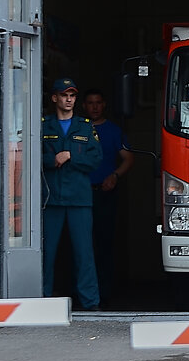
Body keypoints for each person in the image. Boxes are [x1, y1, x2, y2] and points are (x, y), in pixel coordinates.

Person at [41, 77, 103, 310]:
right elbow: (29, 157)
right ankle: (42, 298)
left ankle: (90, 303)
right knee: (47, 254)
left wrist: (71, 156)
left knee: (84, 254)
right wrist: (51, 159)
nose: (69, 99)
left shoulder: (85, 127)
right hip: (51, 199)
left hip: (79, 200)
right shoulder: (43, 125)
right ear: (55, 98)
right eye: (64, 95)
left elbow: (96, 159)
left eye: (73, 95)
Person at [83, 88, 134, 302]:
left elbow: (129, 158)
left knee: (104, 243)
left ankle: (105, 294)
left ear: (104, 105)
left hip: (104, 194)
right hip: (80, 195)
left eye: (98, 102)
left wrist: (115, 176)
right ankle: (82, 291)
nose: (94, 107)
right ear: (84, 106)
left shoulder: (114, 131)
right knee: (82, 245)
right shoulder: (78, 128)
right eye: (90, 103)